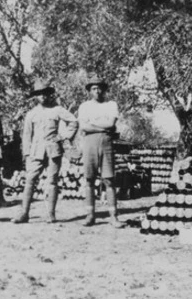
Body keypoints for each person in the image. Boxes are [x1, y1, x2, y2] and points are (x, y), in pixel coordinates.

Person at [13, 79, 79, 224]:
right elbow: (26, 135)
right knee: (30, 180)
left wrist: (63, 136)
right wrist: (26, 154)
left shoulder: (57, 109)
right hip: (36, 152)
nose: (42, 96)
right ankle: (24, 213)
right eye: (39, 94)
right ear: (35, 96)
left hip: (53, 150)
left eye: (45, 93)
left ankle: (51, 214)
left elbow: (74, 122)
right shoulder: (31, 113)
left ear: (49, 95)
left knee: (52, 181)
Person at [78, 77, 124, 228]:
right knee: (89, 180)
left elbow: (111, 123)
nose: (97, 91)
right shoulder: (84, 106)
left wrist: (94, 125)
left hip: (106, 143)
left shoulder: (111, 105)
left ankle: (113, 216)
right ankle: (90, 215)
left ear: (104, 89)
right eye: (93, 88)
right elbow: (84, 127)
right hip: (89, 142)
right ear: (89, 91)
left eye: (99, 88)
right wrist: (102, 128)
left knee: (109, 180)